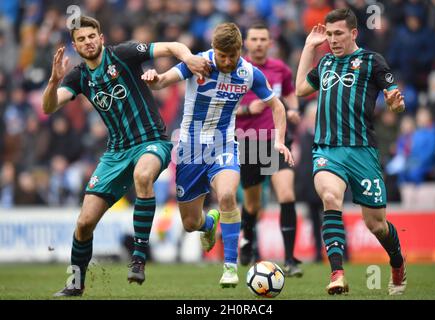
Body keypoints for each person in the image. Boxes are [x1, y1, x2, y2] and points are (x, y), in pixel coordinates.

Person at [42, 16, 210, 297]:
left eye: (91, 36)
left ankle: (139, 256)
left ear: (101, 37)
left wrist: (189, 59)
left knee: (143, 175)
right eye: (81, 39)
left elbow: (172, 45)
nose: (88, 42)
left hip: (151, 141)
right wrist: (53, 81)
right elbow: (49, 107)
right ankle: (75, 283)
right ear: (75, 45)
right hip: (115, 152)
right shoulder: (79, 76)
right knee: (84, 224)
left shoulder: (123, 54)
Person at [141, 22, 294, 288]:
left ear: (239, 50)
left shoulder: (250, 73)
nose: (226, 61)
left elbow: (277, 106)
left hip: (224, 144)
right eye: (221, 55)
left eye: (231, 56)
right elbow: (163, 81)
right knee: (190, 223)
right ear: (213, 49)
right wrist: (155, 79)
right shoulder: (197, 63)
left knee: (226, 196)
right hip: (190, 149)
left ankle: (230, 267)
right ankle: (208, 224)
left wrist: (279, 141)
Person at [295, 8, 407, 295]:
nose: (332, 40)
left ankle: (397, 261)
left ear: (354, 33)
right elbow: (298, 90)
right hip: (328, 149)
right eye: (329, 34)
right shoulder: (325, 64)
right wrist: (309, 48)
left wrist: (395, 104)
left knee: (377, 225)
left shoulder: (372, 61)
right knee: (330, 197)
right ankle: (337, 273)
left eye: (338, 34)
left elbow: (395, 98)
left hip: (362, 152)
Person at [234, 23, 303, 276]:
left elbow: (290, 93)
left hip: (277, 141)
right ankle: (247, 241)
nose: (260, 43)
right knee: (252, 205)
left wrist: (293, 110)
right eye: (255, 39)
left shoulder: (280, 69)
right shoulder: (236, 69)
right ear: (246, 43)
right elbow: (223, 108)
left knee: (286, 194)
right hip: (248, 142)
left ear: (270, 42)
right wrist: (245, 110)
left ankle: (290, 259)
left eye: (264, 38)